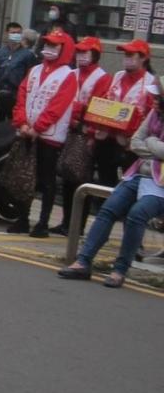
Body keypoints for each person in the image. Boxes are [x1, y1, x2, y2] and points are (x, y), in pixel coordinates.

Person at [58, 81, 164, 288]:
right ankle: (83, 261)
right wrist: (154, 147)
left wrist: (150, 143)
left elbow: (153, 147)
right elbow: (135, 142)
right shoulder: (154, 114)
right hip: (138, 175)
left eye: (159, 98)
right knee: (108, 209)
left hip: (160, 184)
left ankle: (120, 269)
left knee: (137, 214)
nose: (155, 101)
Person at [7, 30, 77, 237]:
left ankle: (43, 223)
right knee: (25, 176)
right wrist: (22, 123)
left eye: (55, 46)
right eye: (47, 44)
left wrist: (38, 128)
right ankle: (22, 218)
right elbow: (21, 96)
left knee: (46, 181)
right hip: (27, 131)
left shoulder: (68, 75)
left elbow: (57, 107)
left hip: (50, 137)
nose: (49, 49)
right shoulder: (35, 70)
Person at [50, 36, 111, 236]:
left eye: (85, 52)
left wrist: (75, 111)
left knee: (79, 180)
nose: (81, 56)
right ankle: (67, 221)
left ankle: (77, 226)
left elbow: (97, 107)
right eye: (79, 52)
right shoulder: (72, 74)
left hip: (85, 134)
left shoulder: (102, 77)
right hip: (69, 129)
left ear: (95, 54)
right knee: (67, 179)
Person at [92, 39, 157, 188]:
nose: (126, 58)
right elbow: (107, 101)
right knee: (104, 181)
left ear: (144, 58)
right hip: (108, 137)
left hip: (130, 144)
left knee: (128, 183)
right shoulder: (118, 75)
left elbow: (151, 116)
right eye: (125, 54)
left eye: (131, 54)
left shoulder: (151, 83)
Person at [0, 21, 37, 120]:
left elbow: (31, 75)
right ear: (7, 34)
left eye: (18, 33)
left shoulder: (27, 55)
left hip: (16, 95)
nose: (16, 35)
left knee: (13, 123)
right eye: (13, 33)